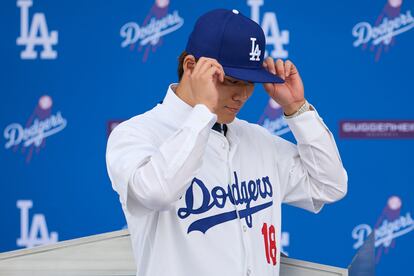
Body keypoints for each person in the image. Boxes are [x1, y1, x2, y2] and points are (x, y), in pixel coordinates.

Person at [106, 8, 347, 276]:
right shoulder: (135, 134)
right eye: (230, 80)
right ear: (191, 66)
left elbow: (328, 186)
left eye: (250, 82)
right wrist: (203, 113)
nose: (241, 95)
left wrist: (297, 109)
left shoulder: (256, 138)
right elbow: (156, 192)